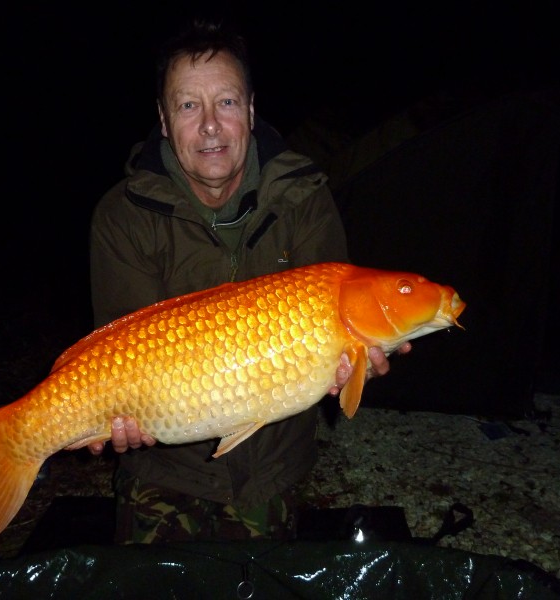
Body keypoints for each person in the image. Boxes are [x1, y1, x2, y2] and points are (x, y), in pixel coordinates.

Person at [86, 18, 410, 544]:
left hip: (272, 467)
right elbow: (124, 347)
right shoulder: (124, 216)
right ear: (164, 121)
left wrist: (356, 366)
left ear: (252, 111)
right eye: (188, 106)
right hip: (163, 470)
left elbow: (338, 331)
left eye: (227, 102)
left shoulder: (304, 198)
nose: (210, 126)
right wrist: (116, 414)